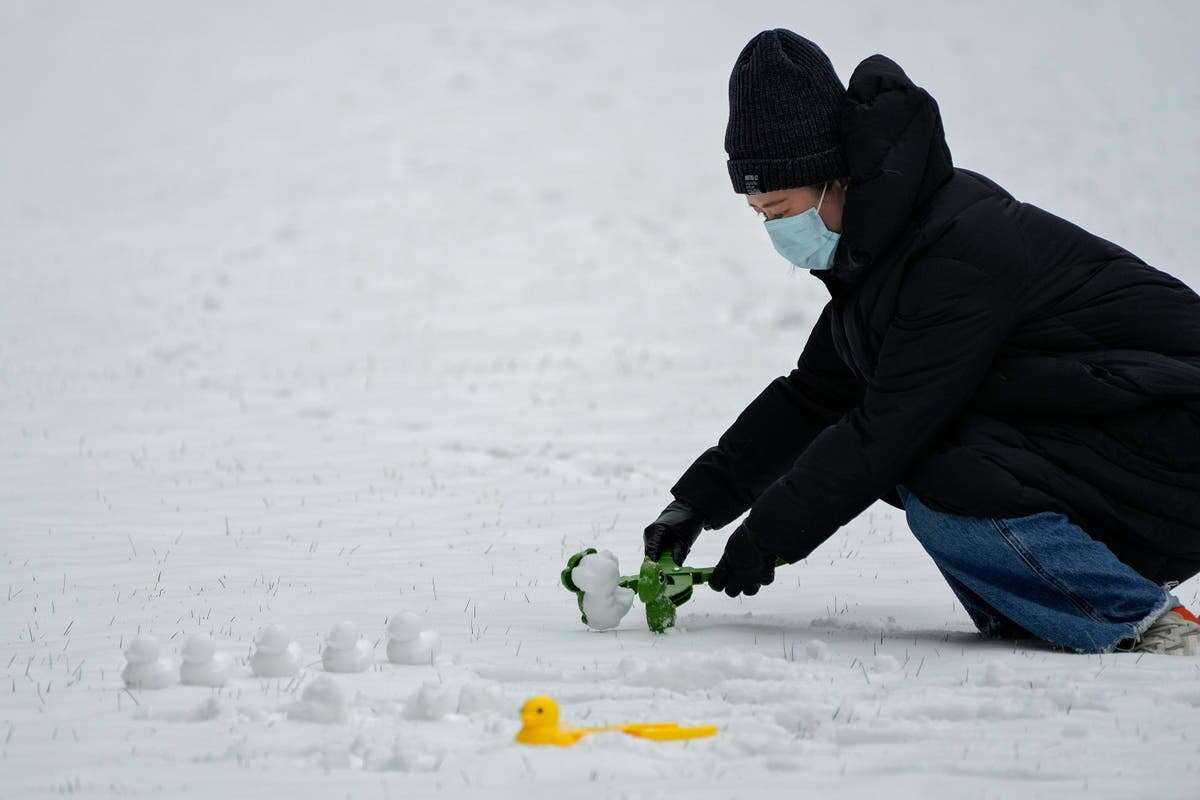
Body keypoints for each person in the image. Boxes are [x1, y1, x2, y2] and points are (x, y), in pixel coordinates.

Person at [643, 29, 1200, 655]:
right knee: (922, 458)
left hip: (1174, 436)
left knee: (932, 464)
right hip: (1114, 437)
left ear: (834, 180)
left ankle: (1141, 621)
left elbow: (888, 428)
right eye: (760, 214)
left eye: (778, 207)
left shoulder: (958, 252)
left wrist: (765, 540)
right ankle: (1048, 608)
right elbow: (815, 397)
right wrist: (696, 504)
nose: (774, 229)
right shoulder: (882, 257)